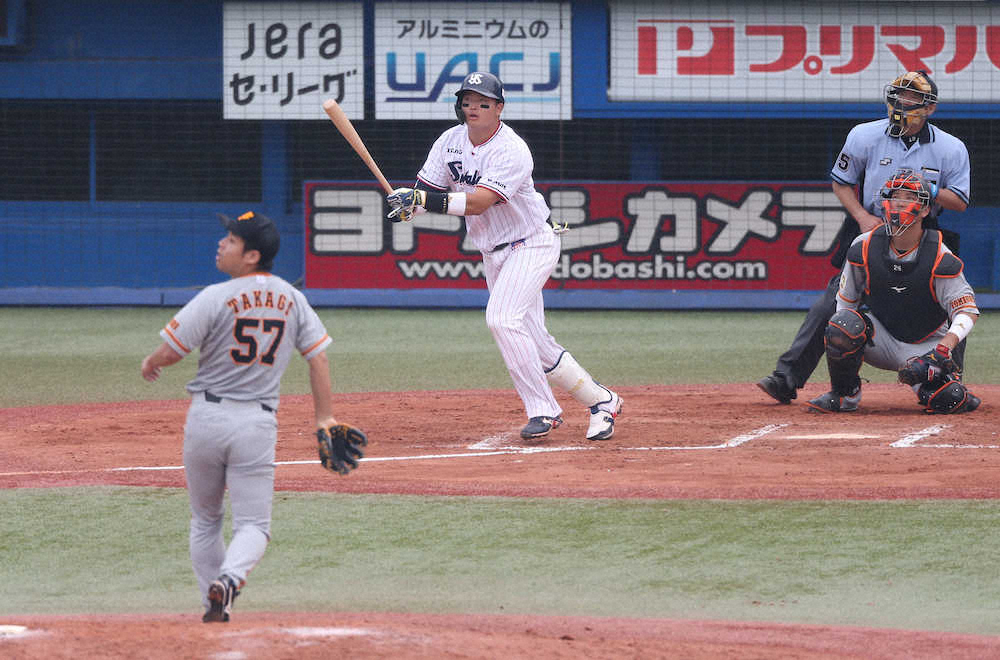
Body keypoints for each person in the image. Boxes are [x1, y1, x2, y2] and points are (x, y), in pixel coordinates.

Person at [141, 211, 365, 622]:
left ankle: (214, 602)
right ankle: (229, 580)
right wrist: (325, 419)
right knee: (254, 526)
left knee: (205, 520)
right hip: (256, 426)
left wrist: (151, 362)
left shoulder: (215, 296)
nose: (222, 244)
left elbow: (172, 351)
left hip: (206, 420)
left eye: (231, 240)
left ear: (251, 256)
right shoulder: (292, 298)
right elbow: (317, 358)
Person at [385, 71, 622, 441]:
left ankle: (543, 410)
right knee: (537, 345)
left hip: (531, 242)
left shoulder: (512, 149)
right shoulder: (449, 141)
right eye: (467, 101)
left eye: (483, 103)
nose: (473, 108)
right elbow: (427, 191)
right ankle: (602, 401)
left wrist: (421, 199)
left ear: (499, 108)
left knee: (501, 319)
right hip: (493, 252)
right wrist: (409, 206)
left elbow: (479, 202)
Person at [758, 70, 971, 404]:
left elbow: (959, 201)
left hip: (922, 231)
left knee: (946, 303)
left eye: (913, 98)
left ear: (930, 107)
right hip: (873, 227)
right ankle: (787, 378)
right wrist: (861, 217)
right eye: (899, 95)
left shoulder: (951, 147)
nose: (904, 103)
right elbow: (841, 181)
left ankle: (947, 377)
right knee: (833, 303)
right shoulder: (863, 135)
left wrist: (924, 188)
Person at [805, 168, 980, 414]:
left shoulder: (940, 255)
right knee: (842, 323)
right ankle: (844, 393)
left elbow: (967, 310)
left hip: (927, 346)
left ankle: (950, 387)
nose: (900, 203)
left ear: (925, 210)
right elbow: (845, 304)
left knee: (950, 400)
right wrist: (842, 338)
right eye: (896, 196)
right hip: (881, 339)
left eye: (909, 197)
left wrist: (943, 349)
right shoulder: (862, 246)